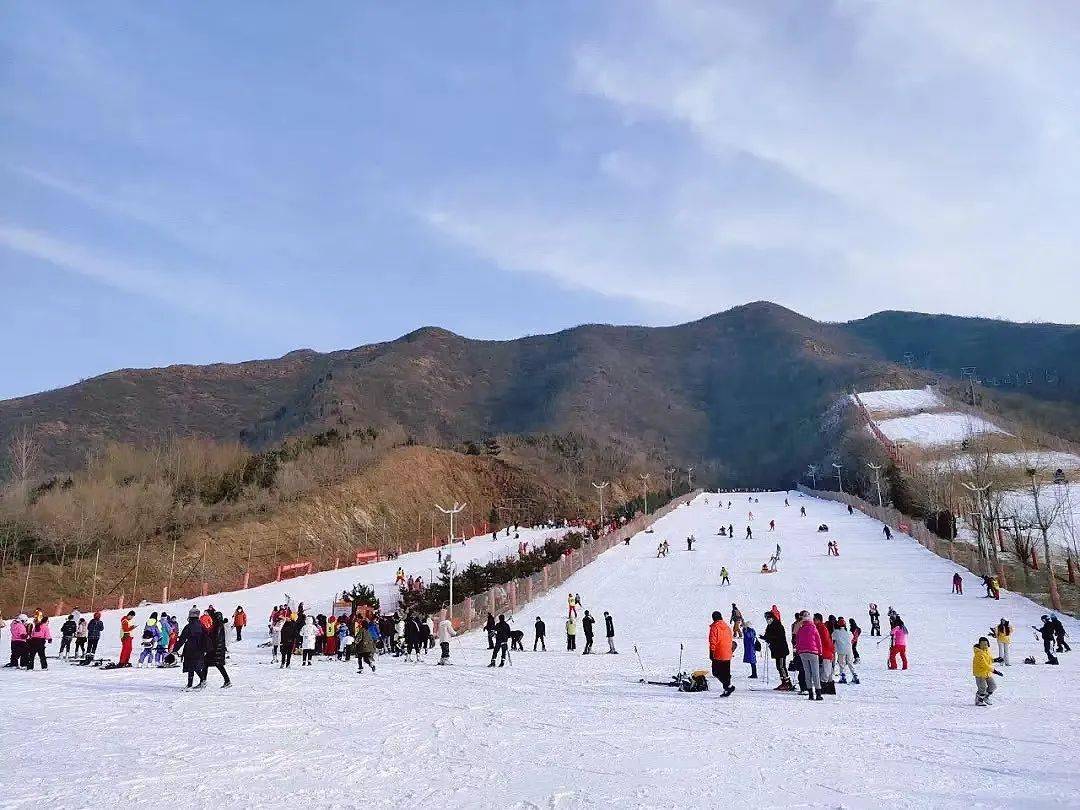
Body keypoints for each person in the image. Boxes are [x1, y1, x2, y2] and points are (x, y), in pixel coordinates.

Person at [794, 611, 823, 701]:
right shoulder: (813, 628)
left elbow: (797, 642)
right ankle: (818, 694)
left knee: (807, 673)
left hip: (803, 653)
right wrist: (820, 652)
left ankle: (810, 693)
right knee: (815, 673)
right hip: (813, 652)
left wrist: (798, 651)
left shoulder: (800, 629)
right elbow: (818, 641)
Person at [177, 608, 208, 689]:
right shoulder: (202, 625)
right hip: (200, 649)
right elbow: (206, 635)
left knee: (191, 666)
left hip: (190, 649)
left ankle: (195, 682)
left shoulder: (188, 626)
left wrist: (175, 649)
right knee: (195, 666)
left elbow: (182, 639)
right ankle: (199, 682)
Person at [762, 612, 792, 691]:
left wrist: (769, 637)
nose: (767, 620)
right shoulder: (769, 626)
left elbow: (779, 637)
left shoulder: (778, 625)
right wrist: (765, 637)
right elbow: (768, 635)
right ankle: (783, 682)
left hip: (781, 649)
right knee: (779, 667)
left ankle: (787, 683)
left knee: (782, 666)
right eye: (766, 619)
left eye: (768, 618)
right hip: (775, 649)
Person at [708, 611, 735, 696]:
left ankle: (728, 686)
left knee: (716, 672)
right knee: (726, 673)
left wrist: (711, 652)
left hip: (718, 653)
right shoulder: (727, 627)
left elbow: (713, 641)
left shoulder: (714, 627)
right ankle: (727, 689)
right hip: (727, 653)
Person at [203, 611, 231, 687]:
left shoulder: (218, 626)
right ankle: (227, 681)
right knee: (215, 665)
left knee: (212, 664)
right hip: (218, 649)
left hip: (215, 649)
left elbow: (215, 638)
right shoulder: (219, 625)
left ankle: (203, 681)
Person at [972, 636, 1001, 707]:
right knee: (983, 688)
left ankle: (985, 697)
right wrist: (995, 671)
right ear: (980, 645)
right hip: (980, 674)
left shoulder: (986, 651)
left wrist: (995, 660)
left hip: (987, 673)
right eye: (983, 644)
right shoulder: (979, 654)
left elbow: (988, 660)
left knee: (993, 686)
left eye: (986, 644)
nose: (985, 646)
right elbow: (985, 665)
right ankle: (979, 700)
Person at [832, 618, 859, 684]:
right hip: (849, 650)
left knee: (842, 664)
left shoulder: (836, 632)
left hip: (841, 650)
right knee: (850, 663)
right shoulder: (849, 632)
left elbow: (832, 638)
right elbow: (852, 638)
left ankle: (843, 677)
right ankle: (855, 676)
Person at [814, 613, 836, 691]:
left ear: (818, 620)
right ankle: (828, 687)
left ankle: (823, 687)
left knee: (826, 671)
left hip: (825, 652)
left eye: (814, 619)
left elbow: (826, 641)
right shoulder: (821, 627)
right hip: (826, 652)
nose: (813, 621)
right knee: (828, 671)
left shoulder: (821, 628)